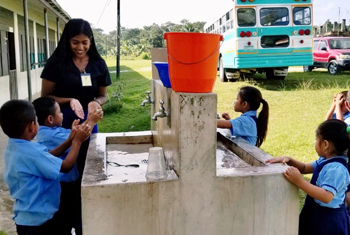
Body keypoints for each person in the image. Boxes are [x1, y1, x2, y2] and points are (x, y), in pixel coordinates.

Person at [40, 18, 111, 234]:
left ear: (91, 41)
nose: (80, 48)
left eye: (85, 42)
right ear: (66, 41)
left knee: (87, 171)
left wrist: (94, 103)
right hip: (63, 121)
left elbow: (103, 96)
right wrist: (69, 99)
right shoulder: (56, 63)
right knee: (64, 172)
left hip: (89, 120)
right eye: (75, 42)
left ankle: (84, 222)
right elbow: (46, 96)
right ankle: (63, 221)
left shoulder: (98, 63)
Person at [0, 100, 91, 235]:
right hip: (43, 222)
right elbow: (66, 166)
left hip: (25, 220)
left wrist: (69, 141)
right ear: (32, 127)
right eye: (36, 121)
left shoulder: (14, 147)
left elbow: (46, 157)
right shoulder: (32, 153)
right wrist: (77, 142)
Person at [32, 97, 103, 235]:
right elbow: (80, 137)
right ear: (50, 119)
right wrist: (92, 120)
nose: (63, 114)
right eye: (60, 112)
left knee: (71, 216)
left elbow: (72, 135)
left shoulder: (50, 131)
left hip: (64, 184)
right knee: (66, 219)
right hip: (62, 186)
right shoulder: (50, 135)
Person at [267, 119, 350, 235]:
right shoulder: (324, 161)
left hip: (328, 222)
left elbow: (326, 196)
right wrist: (290, 160)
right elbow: (305, 168)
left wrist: (300, 182)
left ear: (325, 145)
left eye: (317, 139)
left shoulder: (336, 169)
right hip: (315, 214)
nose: (315, 142)